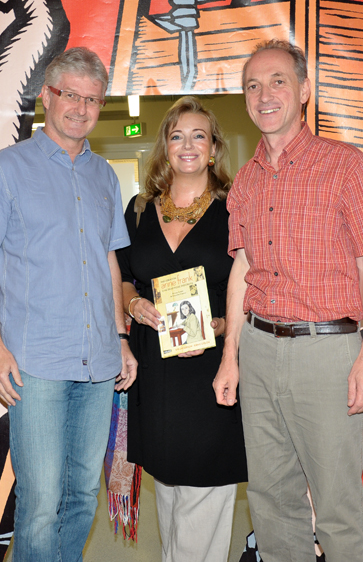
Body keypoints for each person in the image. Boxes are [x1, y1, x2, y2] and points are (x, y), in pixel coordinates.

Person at [213, 40, 363, 562]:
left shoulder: (344, 165)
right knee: (272, 505)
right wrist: (230, 356)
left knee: (337, 509)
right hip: (257, 349)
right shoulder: (245, 180)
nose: (264, 94)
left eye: (277, 82)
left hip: (328, 353)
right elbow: (242, 268)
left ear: (304, 93)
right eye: (252, 85)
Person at [0, 47, 137, 562]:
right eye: (70, 95)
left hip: (98, 363)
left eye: (93, 99)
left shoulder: (104, 175)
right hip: (34, 363)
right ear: (47, 96)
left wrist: (122, 338)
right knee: (40, 501)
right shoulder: (5, 169)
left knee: (83, 493)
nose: (81, 108)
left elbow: (109, 265)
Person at [120, 96, 247, 562]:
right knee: (171, 495)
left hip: (213, 369)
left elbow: (258, 281)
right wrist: (132, 303)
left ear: (213, 147)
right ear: (165, 146)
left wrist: (223, 323)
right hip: (154, 371)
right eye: (177, 136)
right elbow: (121, 275)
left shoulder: (238, 208)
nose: (188, 145)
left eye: (199, 135)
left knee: (204, 497)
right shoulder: (137, 210)